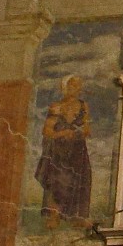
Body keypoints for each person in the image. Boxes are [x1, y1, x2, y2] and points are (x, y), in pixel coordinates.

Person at [35, 77, 93, 226]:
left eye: (78, 85)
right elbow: (47, 130)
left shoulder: (83, 106)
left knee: (80, 179)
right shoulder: (57, 107)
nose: (76, 88)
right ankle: (54, 215)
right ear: (65, 87)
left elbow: (87, 128)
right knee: (58, 181)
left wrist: (79, 132)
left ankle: (76, 217)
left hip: (77, 149)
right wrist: (62, 133)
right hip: (59, 150)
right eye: (73, 85)